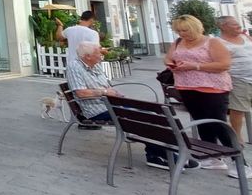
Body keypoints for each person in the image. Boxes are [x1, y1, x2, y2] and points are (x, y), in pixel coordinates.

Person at [67, 42, 191, 170]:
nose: (102, 54)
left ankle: (166, 152)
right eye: (98, 52)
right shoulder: (75, 67)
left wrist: (116, 95)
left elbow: (107, 86)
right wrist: (104, 92)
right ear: (87, 56)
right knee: (141, 117)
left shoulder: (95, 65)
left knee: (155, 113)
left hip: (112, 104)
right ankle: (161, 156)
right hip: (97, 109)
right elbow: (80, 93)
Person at [166, 15, 233, 171]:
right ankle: (213, 157)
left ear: (196, 27)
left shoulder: (213, 42)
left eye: (186, 30)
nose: (182, 34)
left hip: (212, 87)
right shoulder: (177, 43)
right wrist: (171, 64)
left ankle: (239, 161)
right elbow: (168, 58)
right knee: (202, 122)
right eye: (179, 31)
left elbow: (224, 64)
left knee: (218, 123)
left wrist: (194, 66)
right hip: (186, 86)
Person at [218, 15, 252, 178]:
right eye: (233, 24)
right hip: (238, 79)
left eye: (238, 23)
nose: (238, 26)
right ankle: (236, 135)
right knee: (238, 108)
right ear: (223, 26)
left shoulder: (245, 36)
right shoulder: (219, 43)